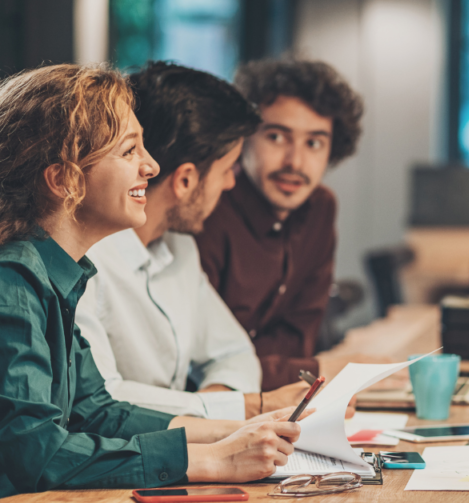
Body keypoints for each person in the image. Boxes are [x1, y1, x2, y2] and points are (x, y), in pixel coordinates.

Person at [0, 64, 307, 499]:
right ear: (64, 180)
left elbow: (99, 414)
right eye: (129, 151)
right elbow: (39, 455)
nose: (151, 165)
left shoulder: (56, 275)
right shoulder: (12, 281)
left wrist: (242, 429)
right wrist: (211, 459)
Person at [75, 62, 307, 420]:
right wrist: (242, 407)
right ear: (185, 181)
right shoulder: (82, 257)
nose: (231, 184)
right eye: (228, 169)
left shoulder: (180, 247)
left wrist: (212, 410)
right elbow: (101, 399)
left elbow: (234, 354)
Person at [195, 58, 370, 391]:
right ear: (242, 138)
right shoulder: (208, 210)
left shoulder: (321, 208)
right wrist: (323, 369)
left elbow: (298, 338)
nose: (295, 161)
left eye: (314, 143)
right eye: (276, 137)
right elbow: (201, 363)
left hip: (274, 405)